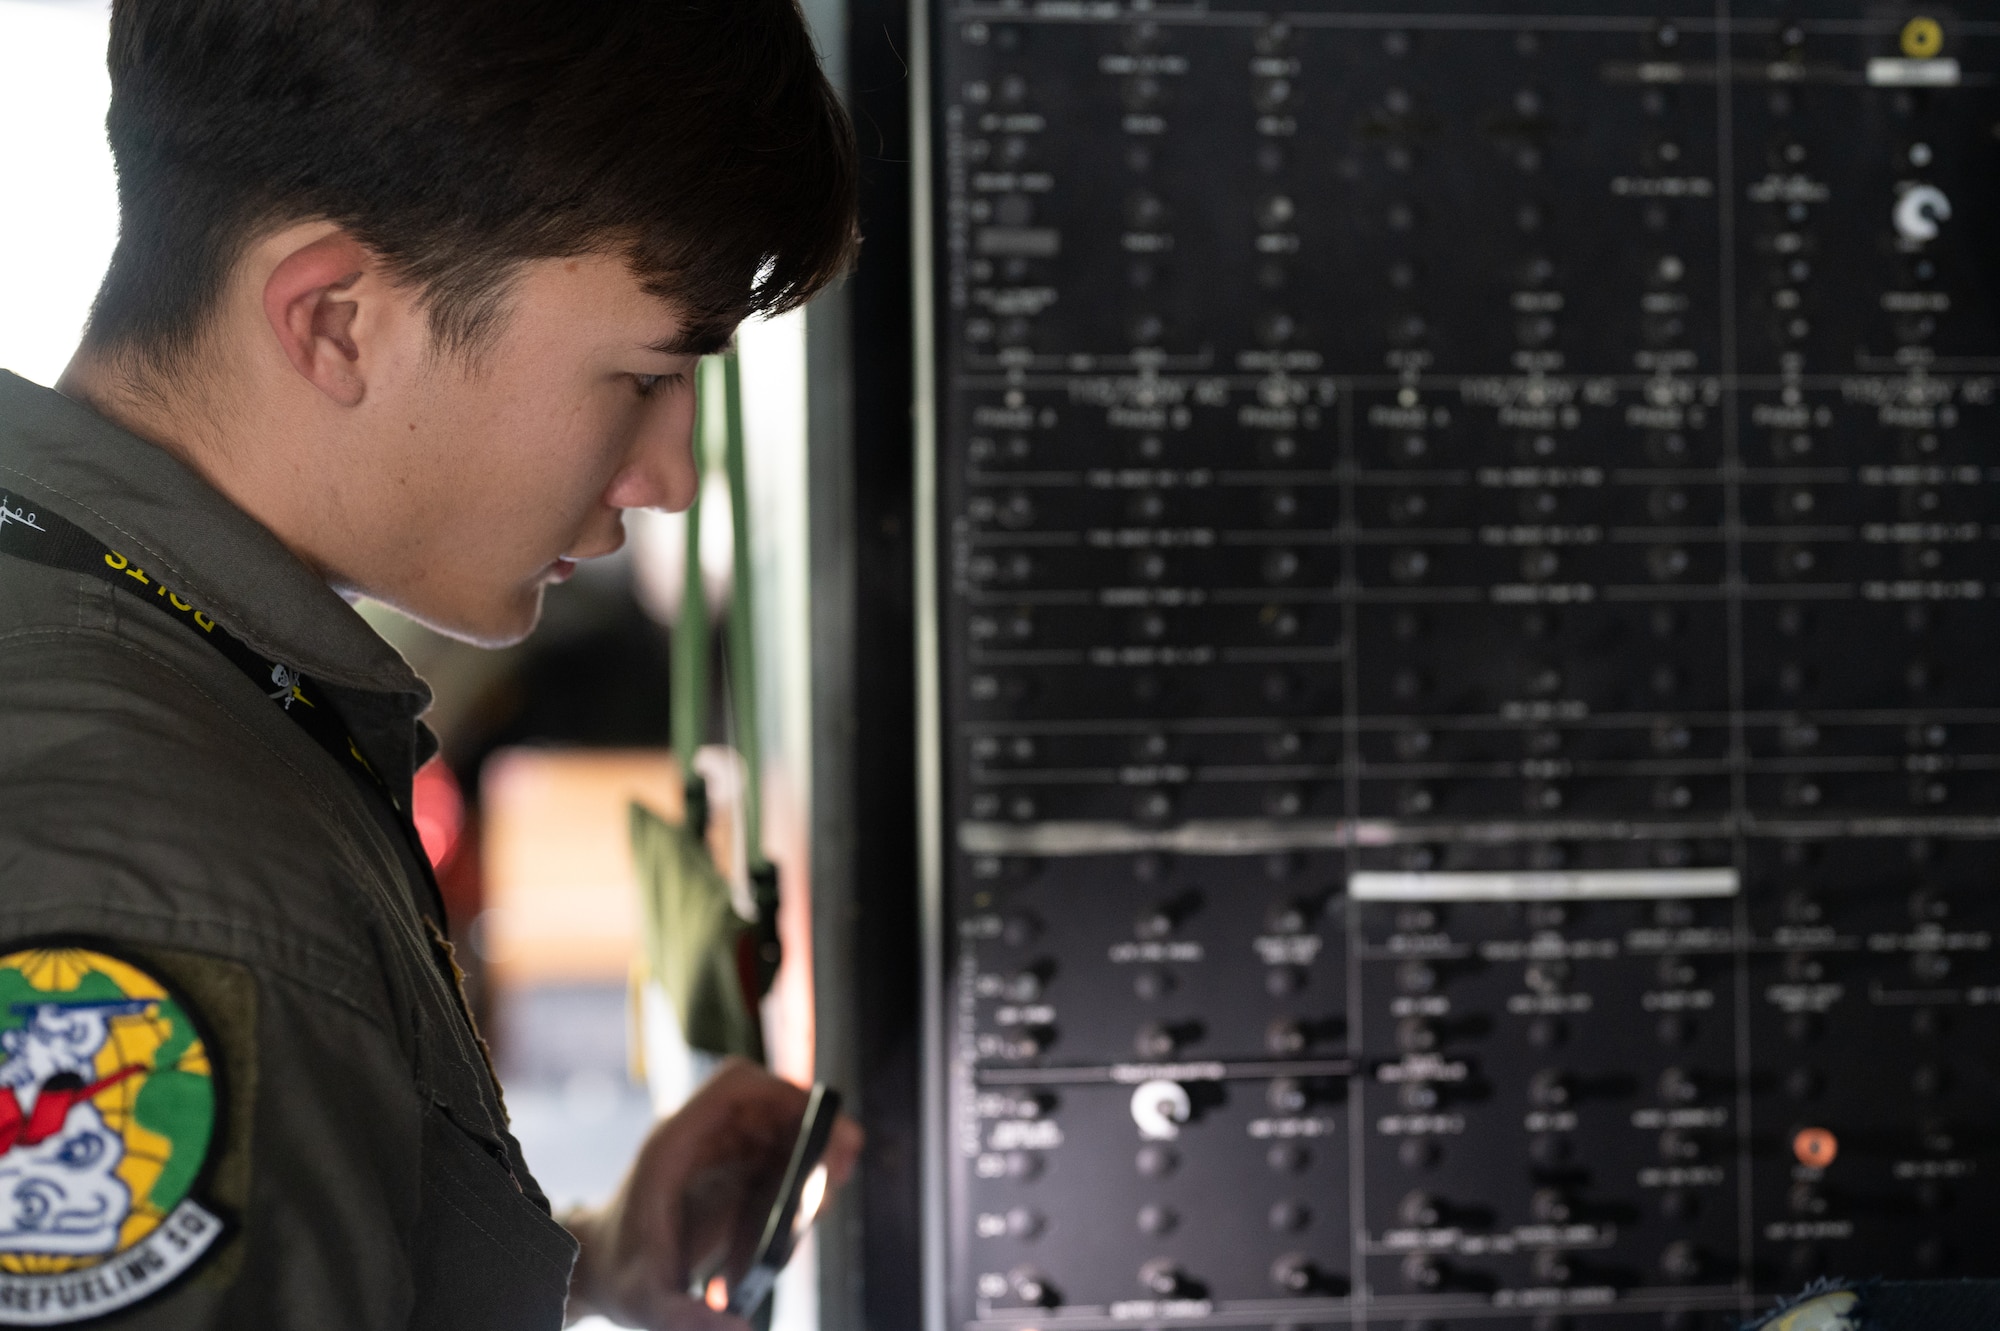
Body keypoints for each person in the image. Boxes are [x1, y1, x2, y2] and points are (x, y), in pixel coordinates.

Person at [0, 0, 860, 1326]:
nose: (673, 479)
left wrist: (571, 1261)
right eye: (640, 378)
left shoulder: (118, 641)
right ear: (338, 319)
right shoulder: (163, 883)